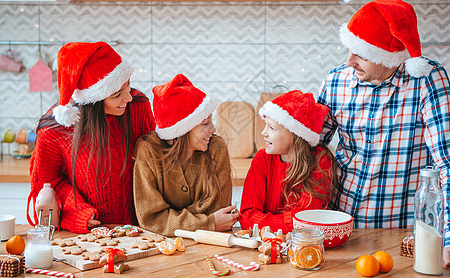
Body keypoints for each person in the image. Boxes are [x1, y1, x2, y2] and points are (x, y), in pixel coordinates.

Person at [317, 0, 450, 265]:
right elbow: (308, 147)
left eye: (361, 53)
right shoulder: (336, 80)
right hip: (340, 229)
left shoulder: (428, 80)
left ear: (388, 56)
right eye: (349, 49)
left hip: (402, 235)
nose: (349, 61)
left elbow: (446, 164)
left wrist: (448, 238)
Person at [27, 42, 155, 233]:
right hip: (89, 234)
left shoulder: (137, 108)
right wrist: (78, 212)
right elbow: (48, 185)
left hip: (141, 231)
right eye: (117, 94)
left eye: (128, 85)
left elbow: (153, 163)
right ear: (92, 102)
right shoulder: (55, 130)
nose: (128, 97)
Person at [133, 73, 238, 236]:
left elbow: (218, 210)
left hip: (209, 244)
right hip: (163, 249)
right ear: (182, 130)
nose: (213, 130)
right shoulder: (148, 151)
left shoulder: (217, 148)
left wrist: (171, 218)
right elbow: (151, 220)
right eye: (205, 123)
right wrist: (208, 222)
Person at [239, 90, 335, 233]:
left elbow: (307, 221)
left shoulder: (320, 160)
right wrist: (289, 221)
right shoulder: (262, 158)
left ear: (295, 134)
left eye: (271, 127)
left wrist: (263, 223)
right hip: (266, 246)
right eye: (265, 125)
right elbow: (246, 218)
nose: (263, 133)